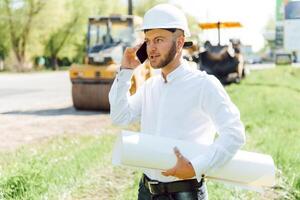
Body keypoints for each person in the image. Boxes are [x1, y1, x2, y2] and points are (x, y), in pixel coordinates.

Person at [109, 4, 245, 200]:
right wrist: (125, 72)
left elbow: (234, 134)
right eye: (147, 41)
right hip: (147, 192)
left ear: (180, 43)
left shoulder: (204, 85)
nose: (151, 48)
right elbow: (119, 118)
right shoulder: (150, 86)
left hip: (185, 193)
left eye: (159, 40)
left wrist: (195, 167)